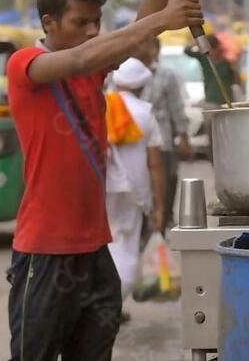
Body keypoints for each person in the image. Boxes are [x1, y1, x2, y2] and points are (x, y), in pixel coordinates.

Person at [5, 0, 203, 361]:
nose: (93, 31)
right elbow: (84, 58)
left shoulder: (91, 68)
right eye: (81, 22)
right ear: (49, 22)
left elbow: (129, 40)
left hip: (95, 253)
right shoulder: (27, 66)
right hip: (44, 254)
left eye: (97, 21)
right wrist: (164, 20)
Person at [105, 58, 165, 321]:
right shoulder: (145, 112)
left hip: (100, 188)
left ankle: (101, 305)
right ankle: (109, 306)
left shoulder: (100, 106)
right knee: (126, 247)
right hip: (134, 190)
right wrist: (159, 206)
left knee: (106, 245)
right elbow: (155, 164)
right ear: (141, 85)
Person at [138, 37, 192, 231]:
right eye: (145, 46)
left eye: (152, 46)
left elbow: (176, 108)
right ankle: (143, 227)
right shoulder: (123, 74)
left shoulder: (166, 75)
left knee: (166, 183)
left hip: (163, 141)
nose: (149, 51)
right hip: (135, 143)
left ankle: (163, 222)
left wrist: (184, 138)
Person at [184, 35, 236, 161]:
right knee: (212, 137)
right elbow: (187, 51)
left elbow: (235, 80)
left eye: (215, 48)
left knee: (228, 137)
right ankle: (214, 161)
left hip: (225, 105)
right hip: (210, 105)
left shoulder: (226, 64)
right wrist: (198, 41)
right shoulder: (205, 60)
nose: (214, 52)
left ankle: (228, 160)